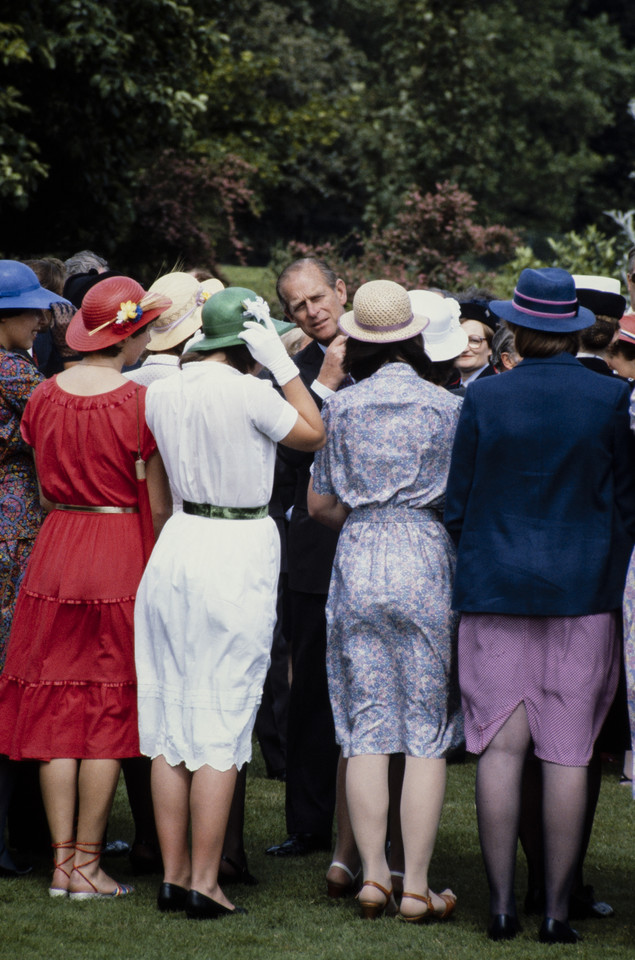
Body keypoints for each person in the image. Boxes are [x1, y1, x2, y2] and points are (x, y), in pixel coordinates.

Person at [445, 267, 635, 944]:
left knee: (499, 751)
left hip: (495, 589)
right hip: (582, 593)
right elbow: (623, 504)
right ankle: (555, 911)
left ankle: (500, 907)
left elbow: (457, 503)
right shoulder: (611, 397)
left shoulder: (487, 399)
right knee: (567, 754)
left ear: (517, 329)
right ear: (575, 327)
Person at [133, 286, 325, 920]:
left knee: (169, 717)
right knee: (222, 720)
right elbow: (314, 434)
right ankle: (206, 882)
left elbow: (156, 492)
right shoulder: (252, 391)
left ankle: (174, 873)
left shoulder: (159, 390)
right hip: (235, 544)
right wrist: (287, 366)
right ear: (248, 343)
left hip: (179, 542)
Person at [0, 274, 173, 900]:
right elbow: (153, 500)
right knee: (107, 706)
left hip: (57, 548)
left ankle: (59, 866)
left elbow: (44, 489)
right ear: (126, 336)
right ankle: (87, 865)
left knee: (53, 708)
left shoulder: (44, 395)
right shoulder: (139, 400)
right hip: (119, 547)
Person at [308, 279, 463, 922]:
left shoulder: (340, 408)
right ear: (414, 336)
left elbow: (319, 503)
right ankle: (417, 884)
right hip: (424, 553)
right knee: (424, 731)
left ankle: (372, 875)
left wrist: (367, 518)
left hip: (361, 551)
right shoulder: (448, 407)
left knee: (366, 724)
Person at [265, 259, 356, 897]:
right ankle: (308, 823)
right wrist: (318, 384)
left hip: (383, 543)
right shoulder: (292, 374)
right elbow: (282, 457)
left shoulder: (387, 350)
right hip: (313, 550)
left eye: (317, 298)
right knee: (310, 694)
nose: (310, 312)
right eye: (296, 306)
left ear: (341, 291)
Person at [0, 261, 69, 879]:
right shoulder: (19, 374)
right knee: (12, 674)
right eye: (30, 311)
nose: (40, 319)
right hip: (15, 530)